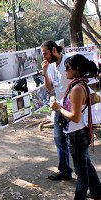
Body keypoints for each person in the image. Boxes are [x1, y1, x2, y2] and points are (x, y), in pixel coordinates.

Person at [50, 54, 101, 199]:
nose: (65, 72)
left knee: (81, 173)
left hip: (77, 134)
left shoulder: (77, 88)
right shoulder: (80, 84)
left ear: (77, 69)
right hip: (78, 132)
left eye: (68, 68)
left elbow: (75, 116)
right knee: (85, 164)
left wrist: (58, 108)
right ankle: (97, 190)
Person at [41, 40, 73, 180]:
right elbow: (50, 89)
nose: (44, 57)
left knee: (76, 145)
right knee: (59, 141)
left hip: (72, 108)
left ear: (54, 50)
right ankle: (65, 171)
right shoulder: (51, 66)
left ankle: (88, 179)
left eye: (45, 53)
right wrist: (44, 72)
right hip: (58, 108)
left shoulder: (69, 62)